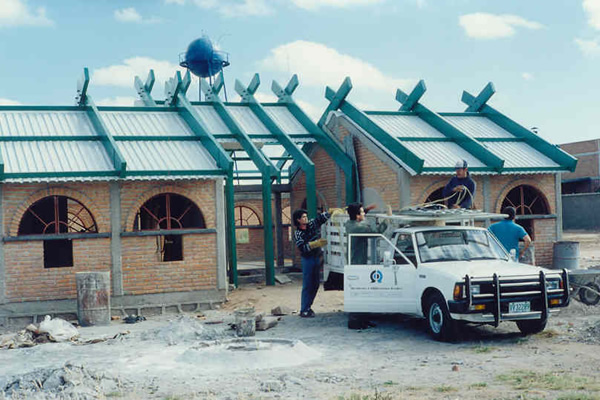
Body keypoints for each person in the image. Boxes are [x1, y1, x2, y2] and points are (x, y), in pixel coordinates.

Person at [293, 207, 343, 318]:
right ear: (298, 220)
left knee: (315, 284)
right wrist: (315, 244)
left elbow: (319, 219)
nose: (306, 218)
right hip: (307, 259)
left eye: (306, 216)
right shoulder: (298, 233)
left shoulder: (311, 225)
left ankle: (308, 307)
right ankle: (304, 309)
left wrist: (329, 212)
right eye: (303, 217)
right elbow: (302, 247)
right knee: (307, 284)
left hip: (316, 258)